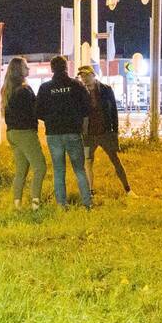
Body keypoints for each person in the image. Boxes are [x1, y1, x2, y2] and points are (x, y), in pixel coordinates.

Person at [35, 55, 92, 210]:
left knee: (59, 170)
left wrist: (50, 118)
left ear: (52, 68)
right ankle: (87, 203)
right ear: (66, 67)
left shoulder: (45, 88)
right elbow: (87, 108)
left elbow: (38, 111)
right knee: (79, 169)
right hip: (73, 132)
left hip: (53, 133)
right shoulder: (76, 85)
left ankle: (61, 204)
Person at [77, 65, 133, 198]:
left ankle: (128, 189)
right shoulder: (80, 92)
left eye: (86, 75)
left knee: (115, 159)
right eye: (82, 76)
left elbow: (114, 110)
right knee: (88, 161)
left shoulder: (106, 89)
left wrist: (115, 131)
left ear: (93, 75)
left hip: (105, 132)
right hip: (88, 134)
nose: (84, 78)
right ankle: (90, 191)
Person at [2, 56, 46, 210]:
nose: (28, 69)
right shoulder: (25, 89)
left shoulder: (7, 89)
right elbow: (36, 110)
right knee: (40, 167)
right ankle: (35, 204)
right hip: (25, 132)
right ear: (19, 70)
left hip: (12, 133)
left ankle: (17, 204)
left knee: (21, 171)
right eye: (26, 66)